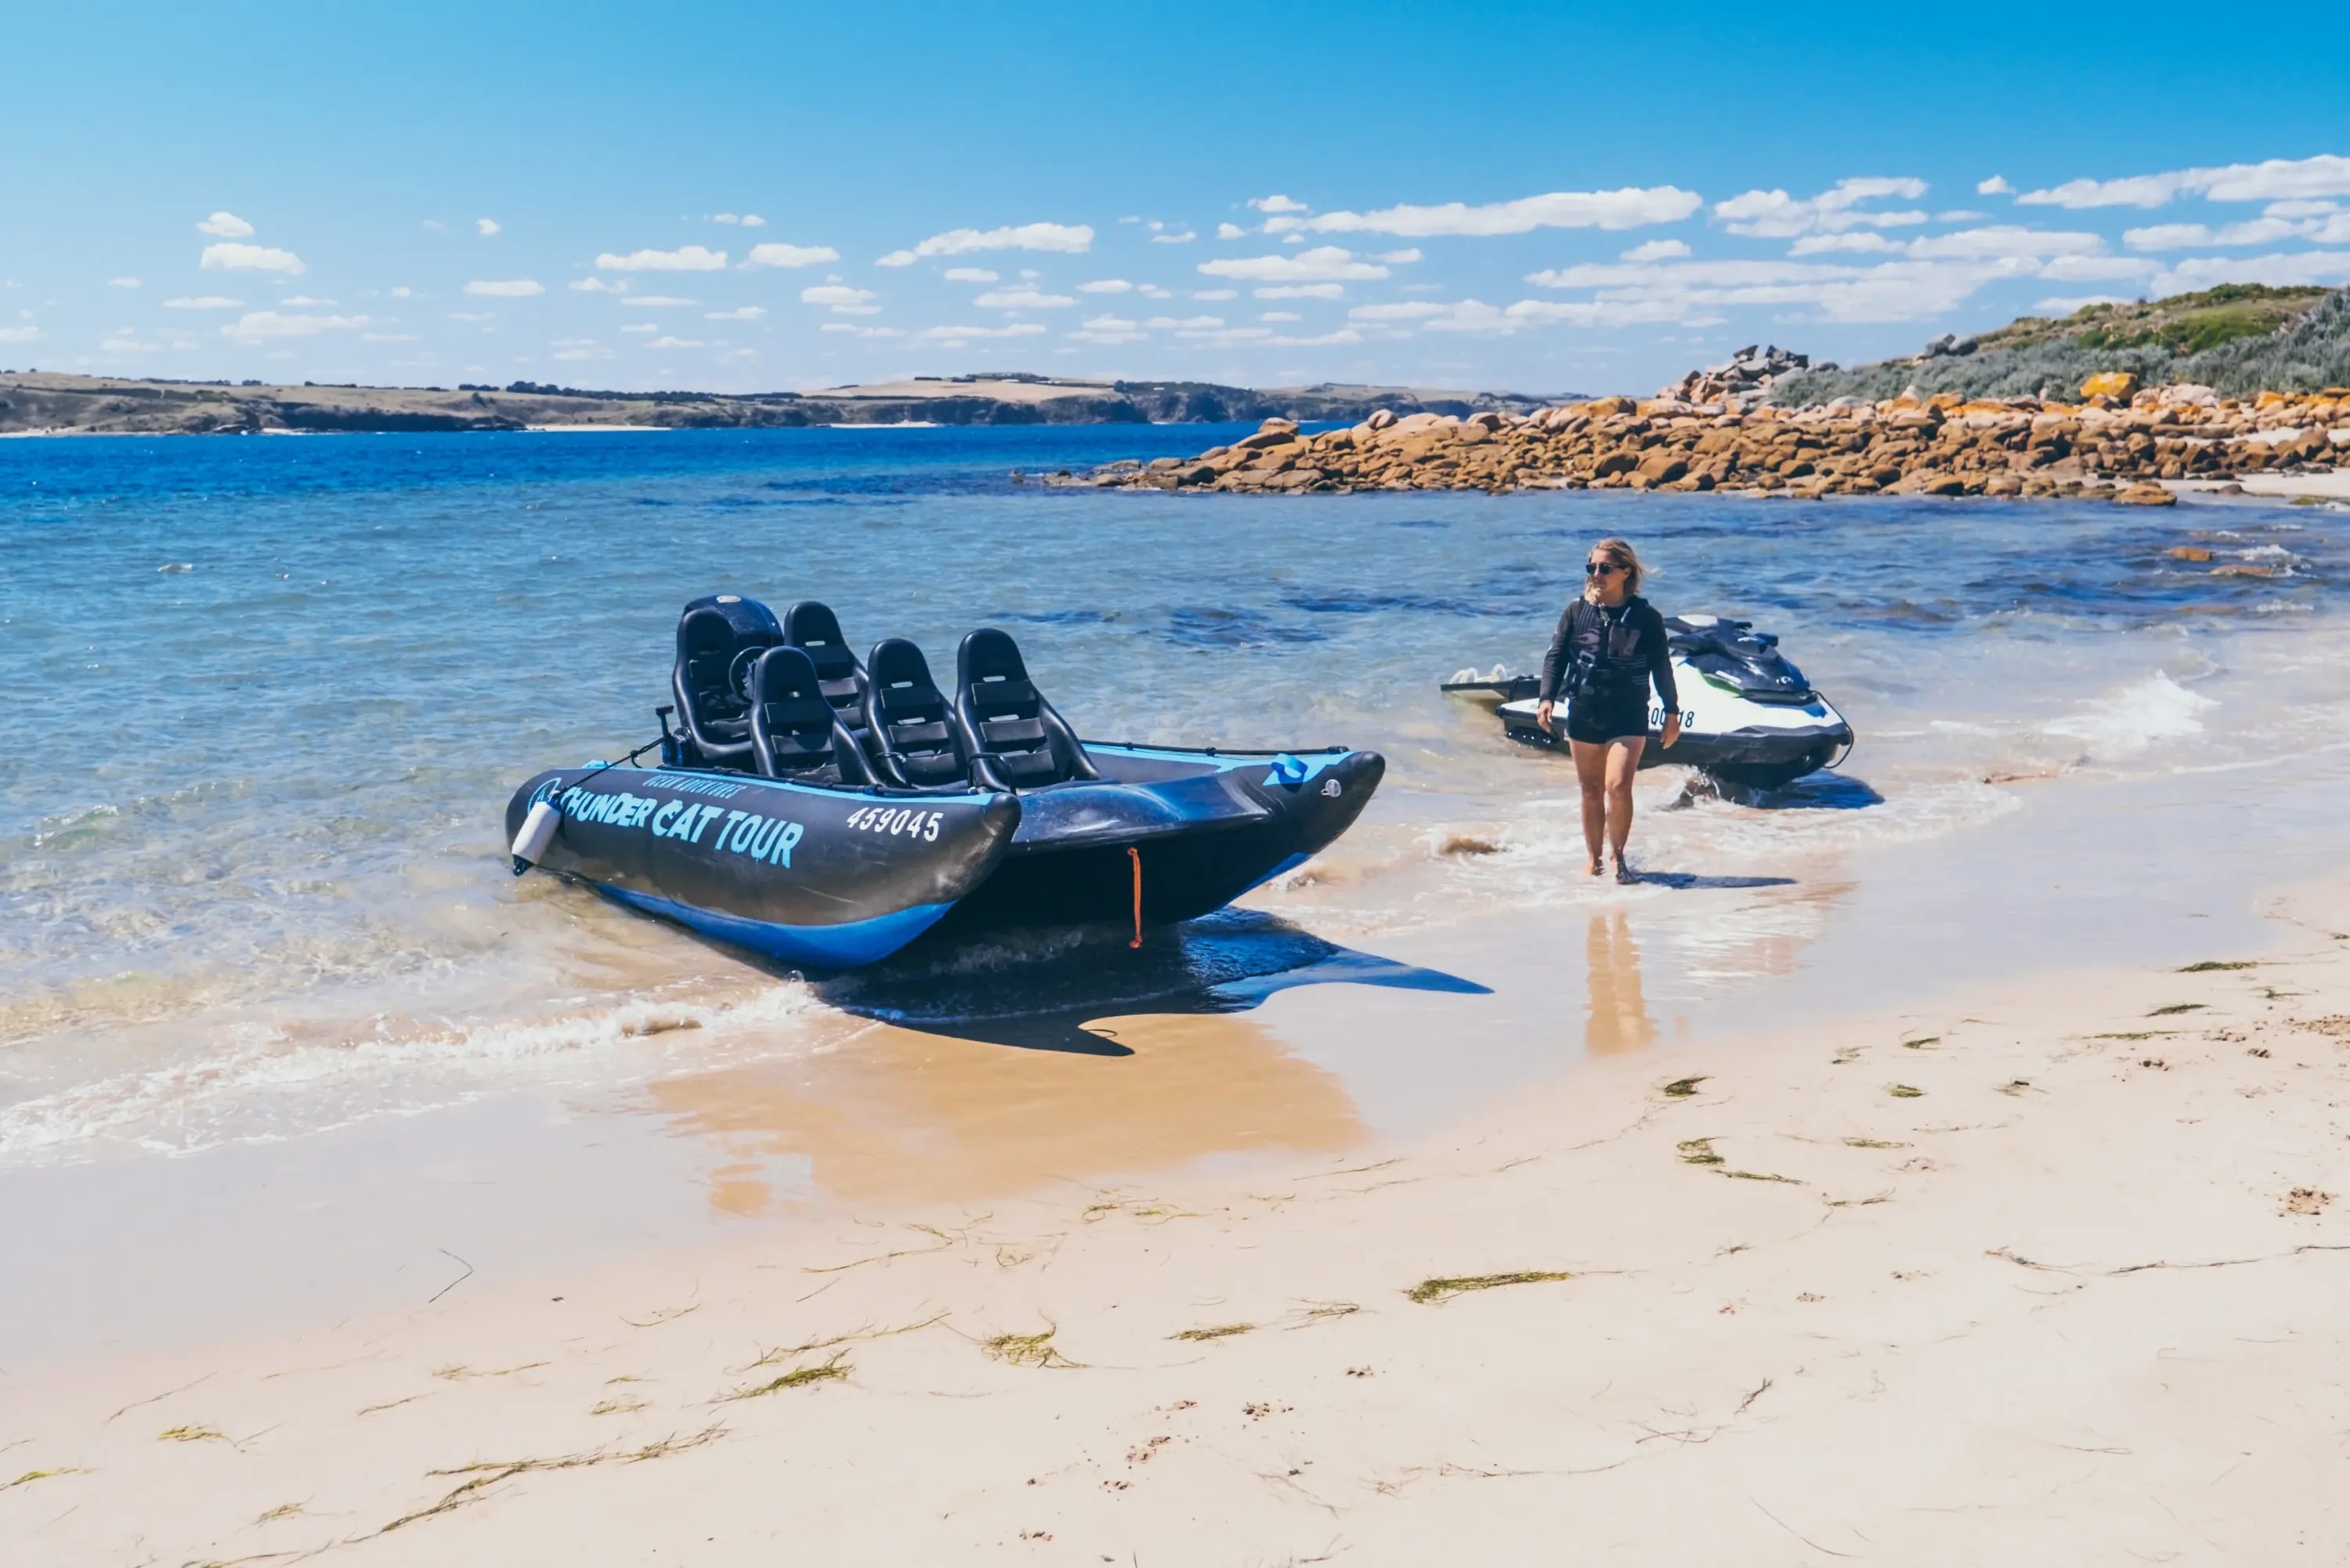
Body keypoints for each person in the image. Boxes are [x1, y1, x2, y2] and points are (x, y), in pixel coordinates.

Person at [1535, 537, 1679, 883]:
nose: (1596, 574)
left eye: (1604, 568)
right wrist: (1546, 697)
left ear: (1625, 572)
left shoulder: (1646, 617)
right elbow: (1556, 657)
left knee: (1617, 786)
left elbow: (1661, 665)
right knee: (1589, 789)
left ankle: (1619, 856)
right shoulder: (1576, 611)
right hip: (1584, 709)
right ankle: (1594, 859)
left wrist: (1672, 711)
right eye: (1592, 567)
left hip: (1628, 713)